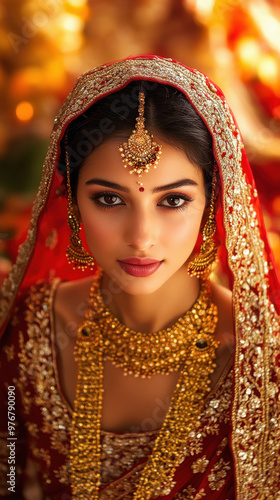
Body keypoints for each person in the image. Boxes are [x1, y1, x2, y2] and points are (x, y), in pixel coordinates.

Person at [0, 55, 279, 500]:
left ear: (213, 202)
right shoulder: (31, 329)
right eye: (110, 200)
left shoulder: (262, 353)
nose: (141, 238)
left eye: (173, 202)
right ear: (71, 203)